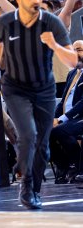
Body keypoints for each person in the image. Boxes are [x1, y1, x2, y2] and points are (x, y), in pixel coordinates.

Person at [0, 0, 77, 209]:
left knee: (42, 146)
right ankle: (26, 184)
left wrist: (54, 45)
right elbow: (7, 14)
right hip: (15, 88)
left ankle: (33, 188)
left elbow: (73, 60)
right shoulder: (11, 23)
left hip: (45, 89)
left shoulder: (53, 25)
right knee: (28, 135)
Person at [50, 40, 83, 184]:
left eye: (79, 50)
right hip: (67, 118)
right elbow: (63, 101)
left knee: (60, 131)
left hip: (79, 117)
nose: (76, 54)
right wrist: (53, 118)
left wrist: (62, 119)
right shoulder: (71, 74)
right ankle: (63, 166)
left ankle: (76, 164)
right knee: (45, 130)